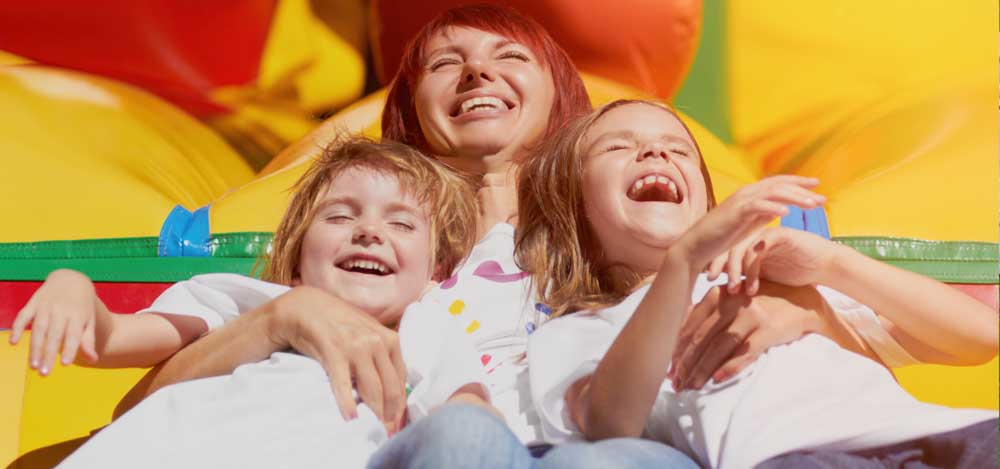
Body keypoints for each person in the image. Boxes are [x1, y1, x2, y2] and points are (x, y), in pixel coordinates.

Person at [518, 99, 999, 468]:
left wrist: (831, 264)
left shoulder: (777, 280)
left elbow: (980, 336)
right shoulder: (580, 329)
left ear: (706, 202)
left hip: (950, 437)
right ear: (573, 207)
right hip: (799, 457)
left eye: (678, 148)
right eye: (617, 147)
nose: (655, 150)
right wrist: (681, 264)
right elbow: (609, 420)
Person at [31, 137, 496, 467]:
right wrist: (73, 288)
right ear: (296, 263)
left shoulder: (427, 331)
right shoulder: (248, 299)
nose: (369, 231)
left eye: (401, 224)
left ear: (435, 276)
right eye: (340, 215)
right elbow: (115, 338)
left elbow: (469, 418)